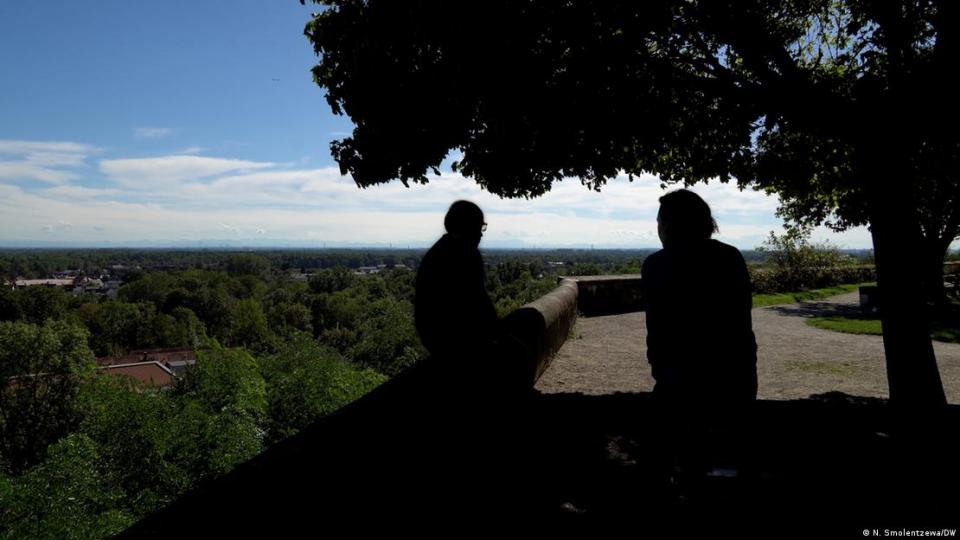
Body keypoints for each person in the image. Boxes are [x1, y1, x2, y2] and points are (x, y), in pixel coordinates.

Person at [641, 189, 758, 408]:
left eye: (659, 222)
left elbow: (657, 330)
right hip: (733, 378)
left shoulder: (656, 265)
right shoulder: (730, 258)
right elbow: (740, 322)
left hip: (676, 379)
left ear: (668, 225)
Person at [414, 200, 499, 362]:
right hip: (458, 340)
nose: (481, 234)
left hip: (434, 339)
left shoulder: (438, 251)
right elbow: (479, 302)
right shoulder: (467, 254)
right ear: (467, 226)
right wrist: (498, 333)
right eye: (478, 227)